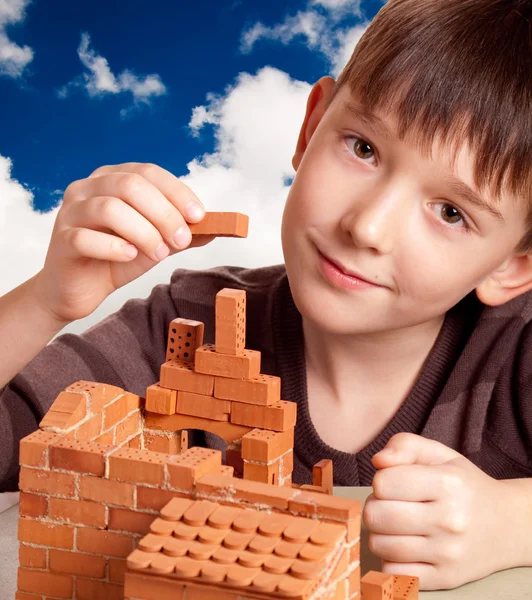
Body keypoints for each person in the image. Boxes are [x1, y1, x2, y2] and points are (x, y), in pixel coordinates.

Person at [1, 0, 531, 590]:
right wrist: (45, 300)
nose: (368, 227)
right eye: (363, 148)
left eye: (451, 212)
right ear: (310, 129)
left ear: (514, 265)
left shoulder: (519, 359)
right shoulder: (184, 329)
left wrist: (512, 522)